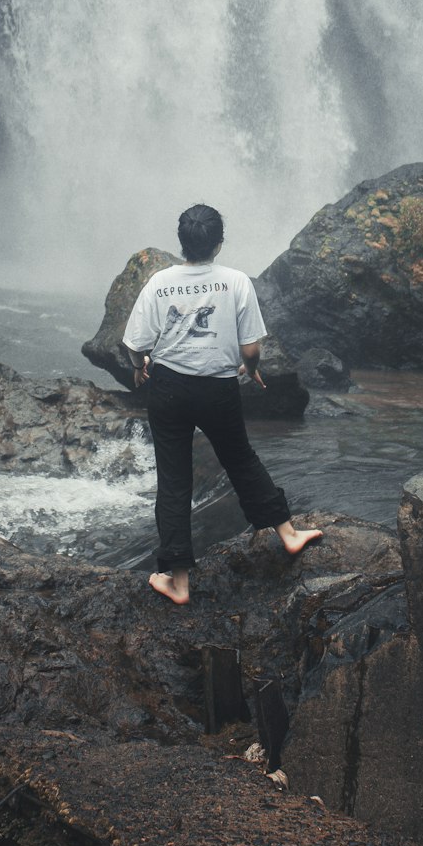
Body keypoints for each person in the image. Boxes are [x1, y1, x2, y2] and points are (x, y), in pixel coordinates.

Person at [123, 203, 322, 605]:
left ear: (182, 243)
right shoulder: (235, 282)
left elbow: (134, 344)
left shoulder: (159, 283)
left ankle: (177, 580)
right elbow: (251, 347)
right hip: (217, 388)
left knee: (175, 478)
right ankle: (288, 534)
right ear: (218, 244)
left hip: (169, 388)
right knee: (241, 459)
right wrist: (252, 369)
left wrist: (139, 367)